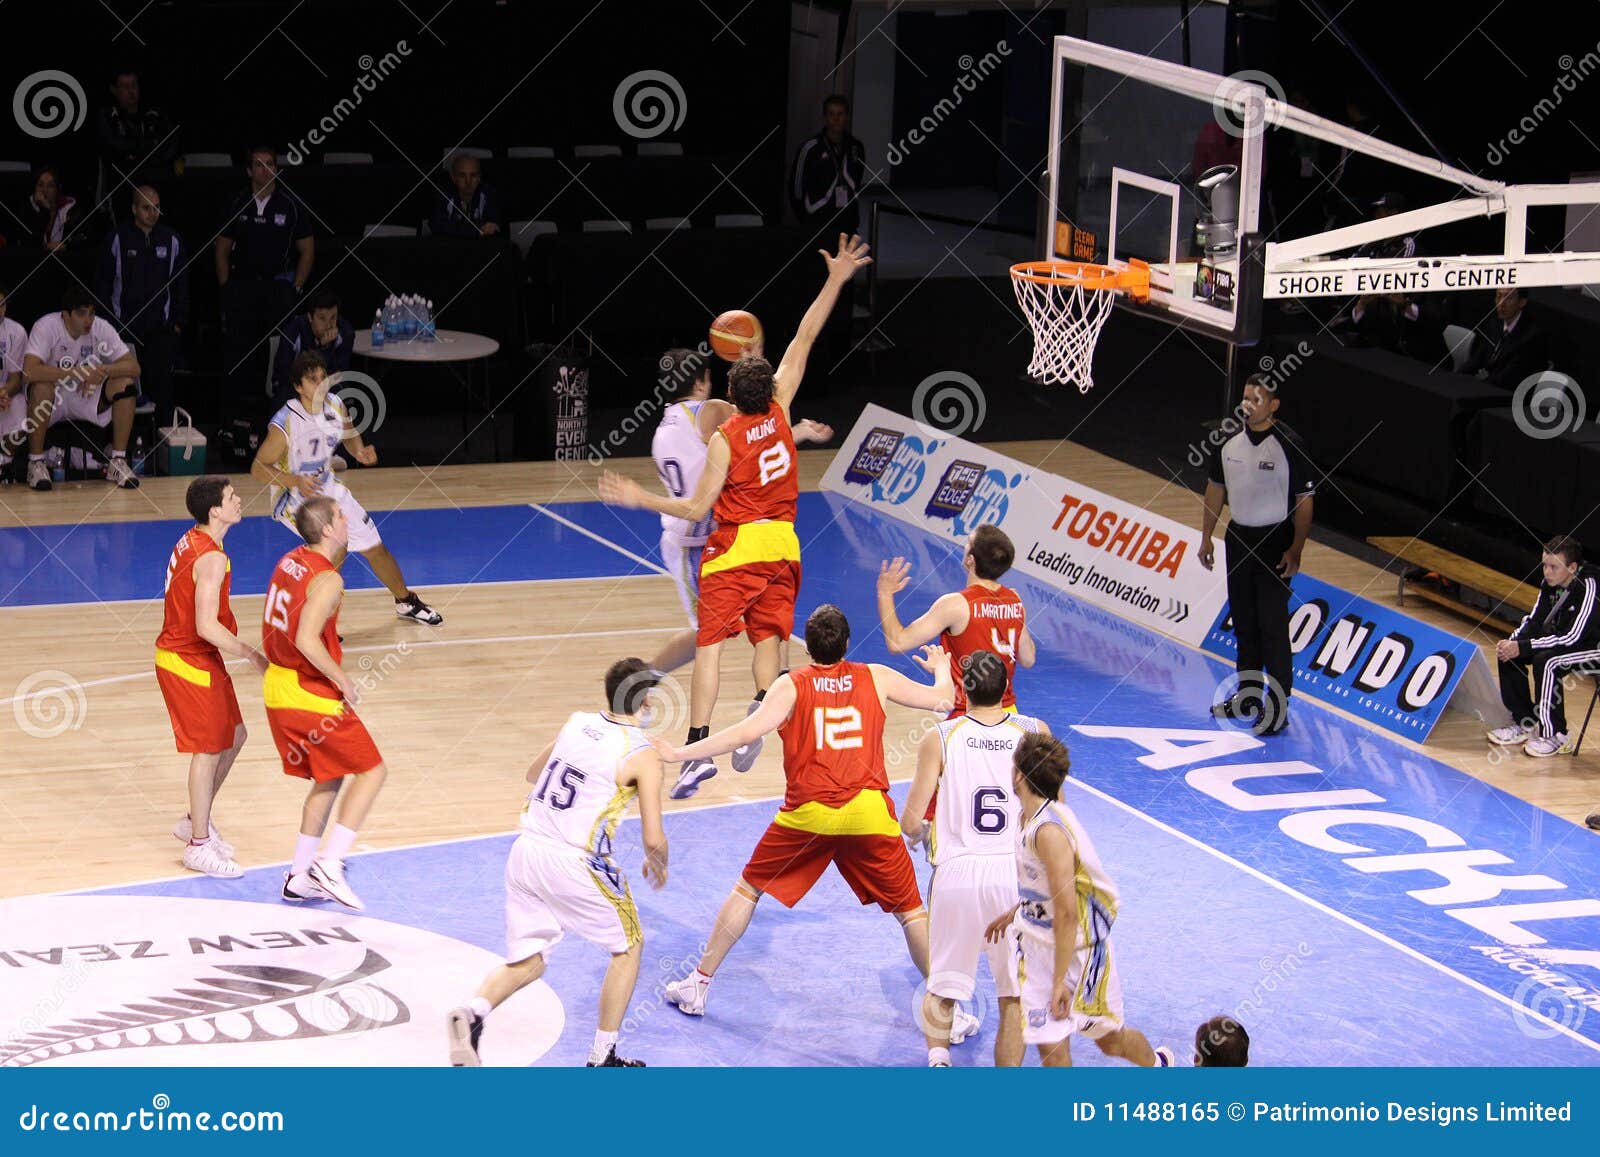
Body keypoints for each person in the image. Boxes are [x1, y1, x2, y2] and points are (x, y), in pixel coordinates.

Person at [599, 234, 871, 798]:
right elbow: (805, 334)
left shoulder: (721, 434)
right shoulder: (781, 403)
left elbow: (699, 505)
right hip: (786, 545)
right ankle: (757, 717)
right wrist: (836, 279)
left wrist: (639, 498)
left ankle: (698, 747)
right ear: (767, 387)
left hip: (733, 545)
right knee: (770, 639)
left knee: (710, 645)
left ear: (726, 390)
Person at [649, 605, 978, 1045]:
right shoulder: (877, 676)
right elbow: (945, 701)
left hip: (807, 815)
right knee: (911, 913)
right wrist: (940, 667)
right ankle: (948, 1016)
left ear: (808, 646)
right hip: (867, 814)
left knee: (748, 890)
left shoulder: (790, 685)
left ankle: (698, 984)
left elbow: (743, 735)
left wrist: (680, 754)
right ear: (845, 644)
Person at [446, 658, 669, 1068]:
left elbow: (534, 773)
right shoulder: (642, 754)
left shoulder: (576, 722)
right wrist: (659, 860)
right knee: (629, 948)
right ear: (647, 703)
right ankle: (603, 1057)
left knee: (529, 961)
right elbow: (653, 836)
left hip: (526, 852)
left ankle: (474, 1013)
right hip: (575, 862)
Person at [983, 732, 1176, 1068]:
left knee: (1110, 1042)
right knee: (1051, 1048)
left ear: (1018, 776)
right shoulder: (1025, 817)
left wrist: (1060, 982)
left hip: (1082, 951)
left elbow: (1068, 913)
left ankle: (1158, 1065)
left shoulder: (1049, 833)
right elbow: (1043, 889)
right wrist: (1017, 911)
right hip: (1037, 947)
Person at [645, 346, 831, 681]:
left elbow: (752, 437)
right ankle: (645, 677)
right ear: (702, 383)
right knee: (708, 632)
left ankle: (778, 687)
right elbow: (756, 418)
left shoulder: (664, 428)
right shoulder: (710, 410)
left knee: (766, 611)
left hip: (718, 537)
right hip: (694, 541)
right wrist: (752, 365)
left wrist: (796, 432)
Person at [901, 650, 1041, 1068]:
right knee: (1012, 994)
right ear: (1006, 688)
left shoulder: (941, 737)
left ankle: (939, 1060)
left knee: (942, 985)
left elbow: (910, 821)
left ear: (964, 689)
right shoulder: (1035, 733)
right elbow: (1054, 812)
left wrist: (925, 834)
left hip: (956, 874)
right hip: (1013, 877)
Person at [252, 350, 443, 625]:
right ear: (297, 386)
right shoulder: (286, 423)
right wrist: (296, 481)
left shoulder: (335, 405)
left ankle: (405, 602)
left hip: (328, 487)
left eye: (323, 377)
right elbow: (258, 468)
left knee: (375, 546)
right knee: (336, 547)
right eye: (312, 380)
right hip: (293, 497)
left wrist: (359, 451)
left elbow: (350, 433)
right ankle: (319, 621)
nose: (321, 384)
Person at [263, 496, 390, 911]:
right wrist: (342, 678)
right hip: (305, 689)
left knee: (330, 776)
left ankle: (299, 874)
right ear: (329, 530)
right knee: (372, 771)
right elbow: (305, 639)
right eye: (340, 515)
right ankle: (330, 864)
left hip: (279, 686)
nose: (347, 518)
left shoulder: (291, 559)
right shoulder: (329, 579)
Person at [156, 476, 268, 877]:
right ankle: (198, 846)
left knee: (235, 735)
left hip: (199, 656)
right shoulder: (211, 557)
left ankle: (192, 820)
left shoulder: (197, 539)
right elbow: (205, 626)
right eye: (231, 497)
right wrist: (252, 654)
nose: (239, 500)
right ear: (214, 510)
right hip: (186, 659)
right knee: (207, 748)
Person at [1198, 374, 1316, 735]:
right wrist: (1206, 538)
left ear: (1274, 405)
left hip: (1274, 540)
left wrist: (1296, 548)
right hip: (1239, 538)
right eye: (1246, 398)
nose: (1249, 405)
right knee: (1245, 621)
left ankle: (1277, 707)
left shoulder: (1289, 444)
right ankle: (1247, 697)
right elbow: (1215, 490)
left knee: (1272, 625)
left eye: (1257, 399)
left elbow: (1304, 501)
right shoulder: (1228, 440)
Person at [877, 524, 1037, 717]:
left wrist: (885, 594)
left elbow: (897, 642)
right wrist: (1016, 615)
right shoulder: (1015, 600)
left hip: (967, 714)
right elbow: (1028, 659)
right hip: (1007, 714)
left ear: (971, 560)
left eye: (968, 543)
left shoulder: (955, 605)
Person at [215, 145, 313, 418]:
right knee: (240, 354)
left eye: (270, 164)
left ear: (277, 170)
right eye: (259, 165)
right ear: (249, 171)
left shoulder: (291, 204)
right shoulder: (237, 203)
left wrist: (296, 287)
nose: (265, 169)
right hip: (243, 288)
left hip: (278, 289)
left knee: (277, 354)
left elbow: (307, 249)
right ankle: (236, 418)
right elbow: (222, 249)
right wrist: (226, 288)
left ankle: (277, 417)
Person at [20, 285, 143, 491]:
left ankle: (117, 461)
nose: (88, 320)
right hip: (52, 399)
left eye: (92, 313)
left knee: (125, 384)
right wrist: (78, 372)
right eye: (81, 314)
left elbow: (134, 367)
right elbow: (29, 372)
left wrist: (101, 369)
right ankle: (36, 463)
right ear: (66, 315)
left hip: (84, 395)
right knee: (41, 387)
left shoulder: (100, 328)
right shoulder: (46, 326)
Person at [1487, 536, 1600, 757]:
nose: (1547, 572)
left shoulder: (1589, 586)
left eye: (1554, 567)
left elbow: (1573, 637)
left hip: (1593, 646)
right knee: (1509, 653)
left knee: (1547, 662)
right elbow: (1536, 620)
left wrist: (1526, 646)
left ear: (1573, 567)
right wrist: (1514, 642)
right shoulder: (1550, 584)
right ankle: (1524, 723)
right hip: (1571, 642)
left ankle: (1556, 735)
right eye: (1545, 565)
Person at [96, 186, 188, 426]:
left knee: (163, 392)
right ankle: (120, 449)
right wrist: (111, 326)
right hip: (124, 330)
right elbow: (103, 286)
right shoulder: (117, 238)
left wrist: (176, 325)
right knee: (125, 390)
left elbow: (181, 287)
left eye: (156, 207)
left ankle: (162, 449)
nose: (153, 213)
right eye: (146, 207)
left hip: (160, 331)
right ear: (134, 209)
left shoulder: (172, 239)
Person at [94, 67, 178, 208]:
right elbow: (114, 147)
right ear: (114, 90)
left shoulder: (154, 115)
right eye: (125, 87)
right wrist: (146, 146)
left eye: (134, 85)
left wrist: (136, 150)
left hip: (157, 186)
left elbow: (170, 145)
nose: (131, 91)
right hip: (122, 190)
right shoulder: (108, 116)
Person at [790, 95, 867, 237]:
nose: (836, 119)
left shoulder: (856, 147)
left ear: (847, 117)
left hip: (847, 224)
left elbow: (857, 179)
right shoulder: (810, 148)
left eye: (840, 114)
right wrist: (805, 220)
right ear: (825, 117)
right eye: (831, 114)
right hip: (817, 223)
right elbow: (796, 189)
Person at [271, 290, 353, 409]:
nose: (329, 325)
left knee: (342, 391)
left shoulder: (345, 332)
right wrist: (322, 350)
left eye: (333, 317)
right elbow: (285, 373)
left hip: (327, 384)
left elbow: (340, 372)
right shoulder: (293, 331)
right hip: (293, 385)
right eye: (322, 318)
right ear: (310, 317)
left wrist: (327, 349)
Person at [1463, 287, 1549, 389]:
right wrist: (1459, 377)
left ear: (1522, 302)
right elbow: (1478, 358)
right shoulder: (1494, 323)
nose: (1501, 303)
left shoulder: (1531, 336)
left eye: (1508, 298)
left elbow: (1509, 377)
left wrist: (1477, 384)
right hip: (1486, 385)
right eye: (1498, 296)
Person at [429, 154, 503, 238]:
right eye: (462, 176)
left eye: (473, 175)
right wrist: (478, 228)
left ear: (479, 177)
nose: (468, 182)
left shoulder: (489, 193)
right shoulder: (443, 194)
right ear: (453, 178)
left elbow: (493, 227)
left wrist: (457, 227)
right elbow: (437, 226)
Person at [0, 288, 28, 479]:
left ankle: (4, 463)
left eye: (1, 304)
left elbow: (16, 378)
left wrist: (4, 392)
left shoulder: (15, 331)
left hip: (5, 395)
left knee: (21, 407)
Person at [23, 166, 81, 251]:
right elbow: (30, 242)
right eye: (40, 185)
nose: (44, 190)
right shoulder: (27, 209)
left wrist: (65, 246)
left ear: (58, 189)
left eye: (50, 185)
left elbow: (85, 238)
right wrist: (45, 210)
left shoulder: (71, 210)